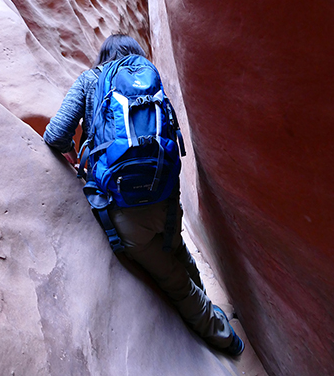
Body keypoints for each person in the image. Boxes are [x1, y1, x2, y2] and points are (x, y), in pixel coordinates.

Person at [43, 33, 244, 356]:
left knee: (174, 281)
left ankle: (226, 340)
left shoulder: (90, 80)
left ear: (102, 56)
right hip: (165, 200)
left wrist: (73, 153)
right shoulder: (149, 78)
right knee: (177, 251)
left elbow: (55, 134)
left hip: (124, 209)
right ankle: (211, 304)